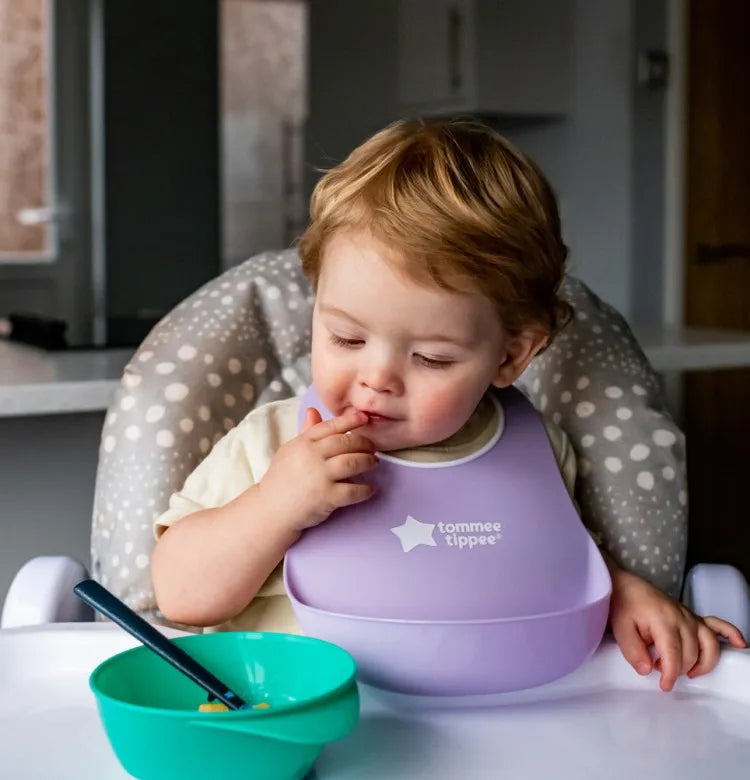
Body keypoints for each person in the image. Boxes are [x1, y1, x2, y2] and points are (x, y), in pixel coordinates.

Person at [151, 118, 745, 692]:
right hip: (307, 719)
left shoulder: (535, 447)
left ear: (511, 356)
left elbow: (551, 561)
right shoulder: (272, 443)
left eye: (431, 358)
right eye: (347, 339)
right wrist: (275, 505)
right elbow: (179, 595)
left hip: (500, 716)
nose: (377, 378)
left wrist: (624, 595)